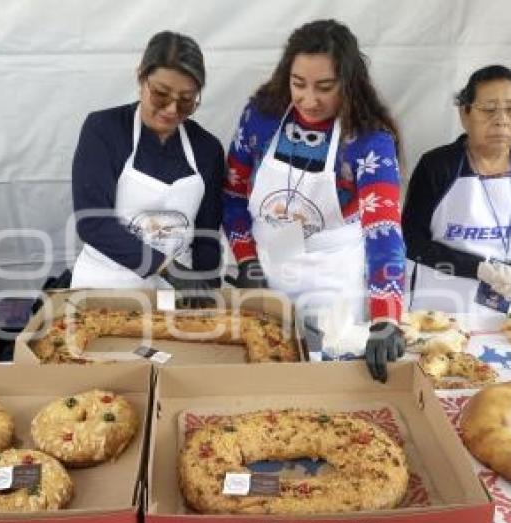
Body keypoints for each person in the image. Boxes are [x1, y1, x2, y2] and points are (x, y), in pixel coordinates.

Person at [222, 19, 406, 381]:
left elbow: (383, 231)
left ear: (349, 83)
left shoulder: (369, 142)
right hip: (266, 271)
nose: (309, 100)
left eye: (325, 87)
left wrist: (387, 317)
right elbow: (231, 196)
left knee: (323, 378)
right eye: (298, 84)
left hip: (331, 280)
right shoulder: (260, 118)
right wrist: (246, 261)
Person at [71, 31, 224, 308]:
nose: (171, 110)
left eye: (187, 100)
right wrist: (168, 268)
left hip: (174, 297)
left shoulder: (207, 148)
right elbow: (93, 222)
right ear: (141, 77)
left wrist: (209, 287)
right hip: (105, 287)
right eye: (161, 95)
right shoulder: (103, 130)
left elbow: (207, 236)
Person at [402, 65, 511, 314]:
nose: (501, 120)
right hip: (442, 307)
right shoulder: (438, 166)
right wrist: (478, 268)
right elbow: (412, 240)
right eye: (489, 109)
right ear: (465, 114)